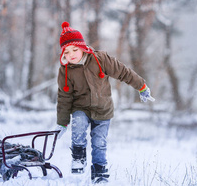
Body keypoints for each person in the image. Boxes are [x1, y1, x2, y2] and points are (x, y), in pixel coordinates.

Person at [54, 21, 155, 183]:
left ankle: (99, 171)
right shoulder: (65, 71)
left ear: (82, 47)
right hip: (81, 108)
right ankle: (79, 157)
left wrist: (141, 86)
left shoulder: (100, 59)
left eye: (74, 49)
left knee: (99, 142)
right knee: (78, 122)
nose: (71, 54)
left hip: (103, 110)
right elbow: (64, 97)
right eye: (66, 52)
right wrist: (62, 122)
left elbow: (123, 72)